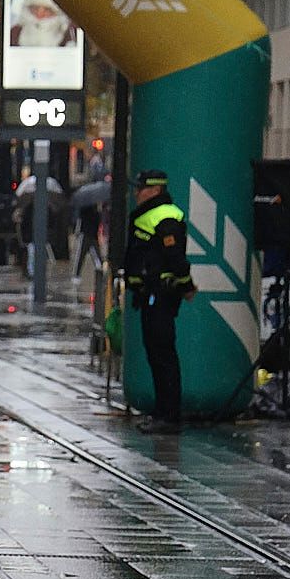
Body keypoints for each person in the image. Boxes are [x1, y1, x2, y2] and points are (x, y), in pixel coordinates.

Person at [124, 169, 195, 430]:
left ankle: (169, 415)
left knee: (163, 354)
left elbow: (175, 257)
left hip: (161, 295)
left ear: (154, 191)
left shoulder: (166, 216)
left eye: (140, 188)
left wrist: (186, 286)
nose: (136, 193)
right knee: (155, 353)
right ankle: (162, 412)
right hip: (149, 295)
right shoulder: (148, 215)